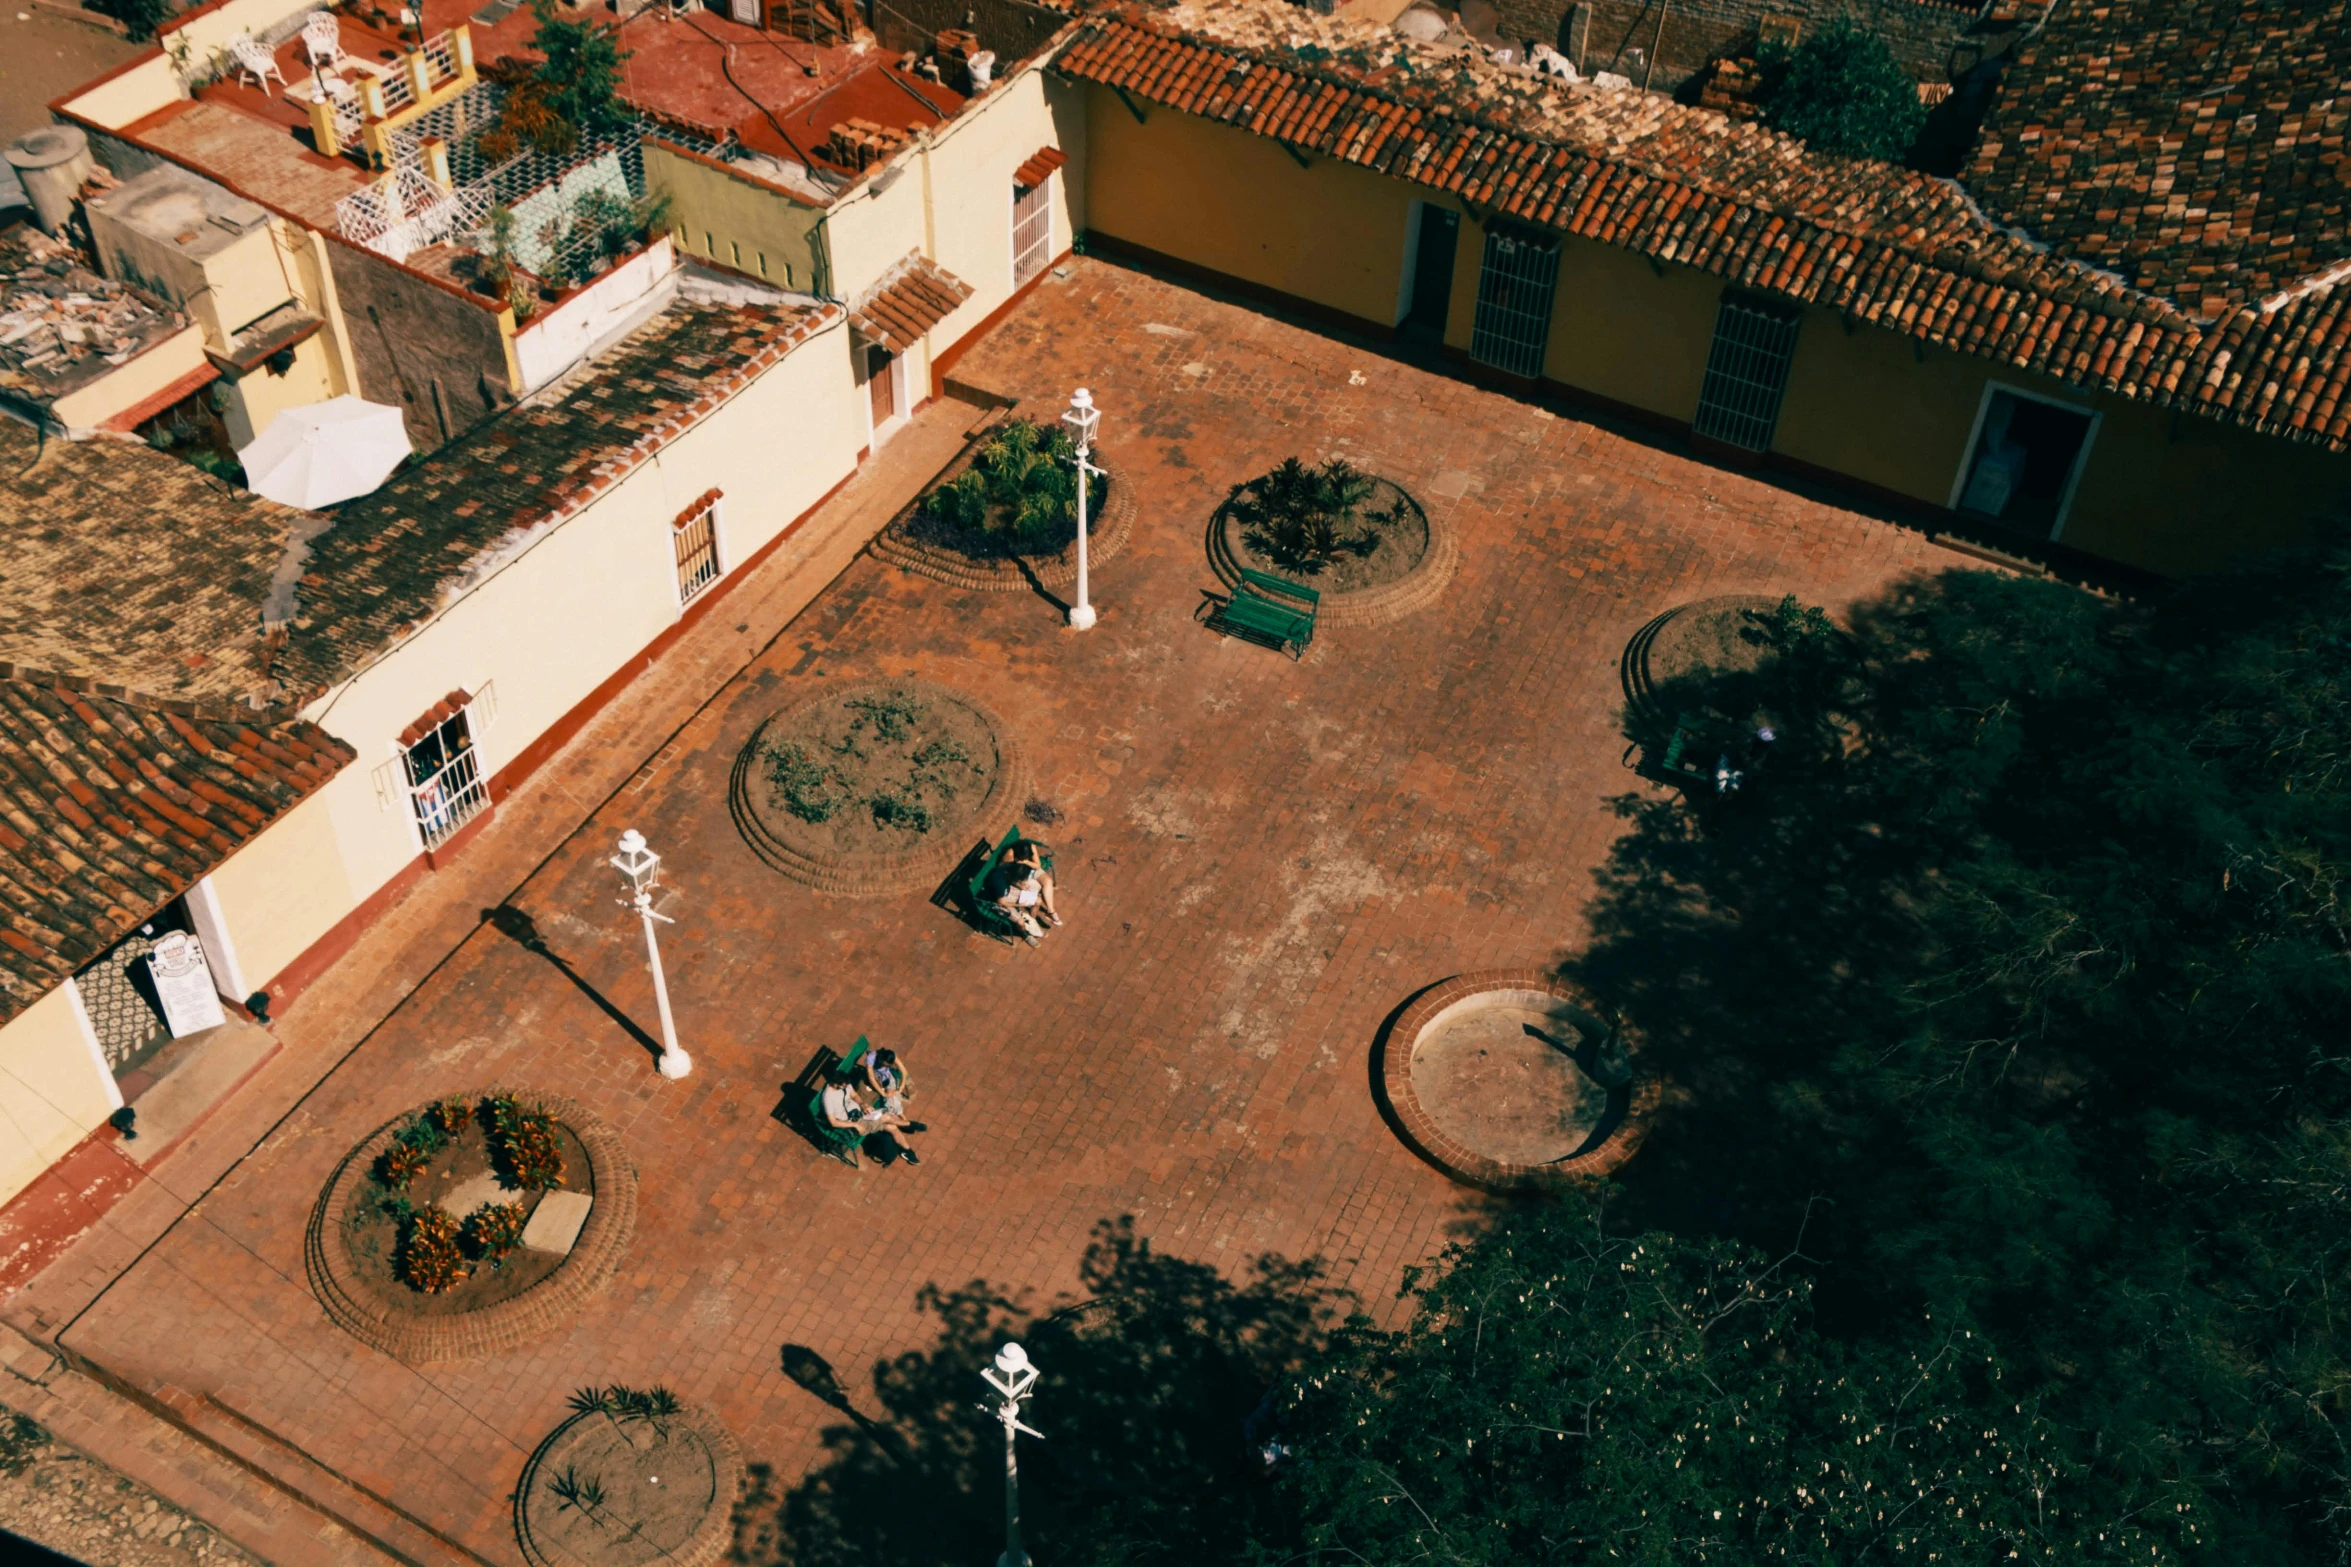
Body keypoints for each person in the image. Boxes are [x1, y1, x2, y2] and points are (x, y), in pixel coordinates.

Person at [821, 1080, 920, 1165]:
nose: (846, 1087)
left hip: (862, 1115)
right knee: (888, 1120)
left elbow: (854, 1095)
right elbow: (833, 1122)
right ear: (835, 1084)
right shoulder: (828, 1098)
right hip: (854, 1124)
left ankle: (908, 1150)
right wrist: (855, 1125)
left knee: (891, 1126)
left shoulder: (844, 1084)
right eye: (843, 1085)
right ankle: (908, 1126)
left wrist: (863, 1104)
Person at [989, 841, 1060, 944]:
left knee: (1038, 901)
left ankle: (1032, 923)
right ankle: (1025, 935)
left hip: (1011, 890)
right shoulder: (999, 882)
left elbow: (1012, 879)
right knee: (1020, 922)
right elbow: (1001, 902)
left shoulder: (1009, 870)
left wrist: (1020, 885)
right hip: (1002, 900)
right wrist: (1019, 904)